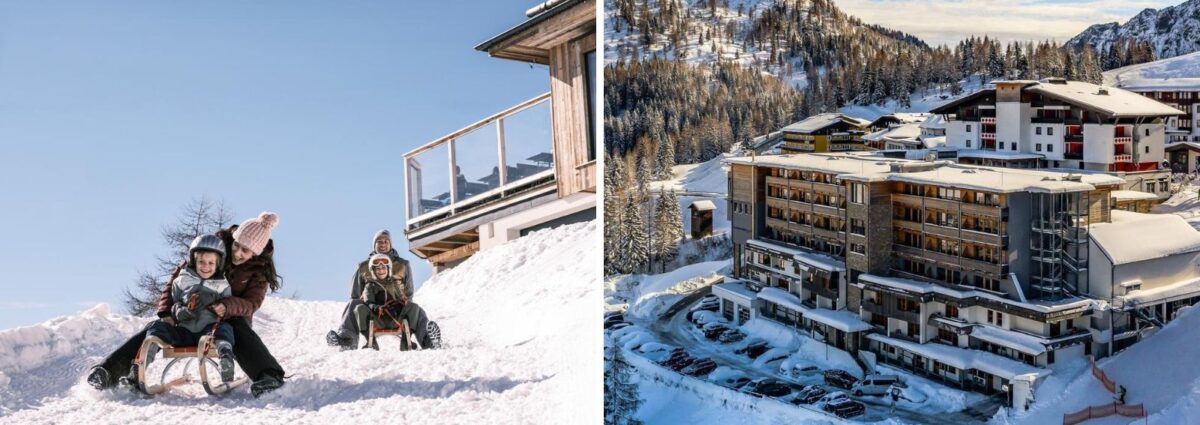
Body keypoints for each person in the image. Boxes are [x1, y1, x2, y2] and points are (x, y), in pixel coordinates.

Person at [87, 212, 287, 397]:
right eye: (236, 246)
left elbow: (251, 303)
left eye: (246, 251)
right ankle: (108, 372)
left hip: (224, 319)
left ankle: (268, 375)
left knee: (239, 329)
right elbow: (176, 280)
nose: (238, 253)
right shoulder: (212, 249)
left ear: (256, 253)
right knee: (155, 330)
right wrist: (166, 311)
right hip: (190, 315)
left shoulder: (258, 272)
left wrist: (227, 305)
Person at [136, 234, 237, 384]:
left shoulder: (222, 284)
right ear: (194, 261)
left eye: (211, 263)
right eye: (201, 262)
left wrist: (217, 306)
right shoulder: (182, 280)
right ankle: (142, 362)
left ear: (218, 264)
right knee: (157, 326)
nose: (206, 266)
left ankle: (225, 357)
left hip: (209, 334)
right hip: (185, 332)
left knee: (225, 328)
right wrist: (181, 312)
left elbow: (227, 307)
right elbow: (175, 303)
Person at [326, 229, 441, 350]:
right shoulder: (363, 266)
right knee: (353, 304)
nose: (383, 244)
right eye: (379, 242)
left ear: (390, 244)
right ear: (374, 245)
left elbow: (408, 292)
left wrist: (403, 305)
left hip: (396, 308)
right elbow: (355, 294)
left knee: (417, 309)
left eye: (386, 241)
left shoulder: (403, 265)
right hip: (372, 310)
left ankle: (429, 342)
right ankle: (347, 340)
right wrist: (369, 304)